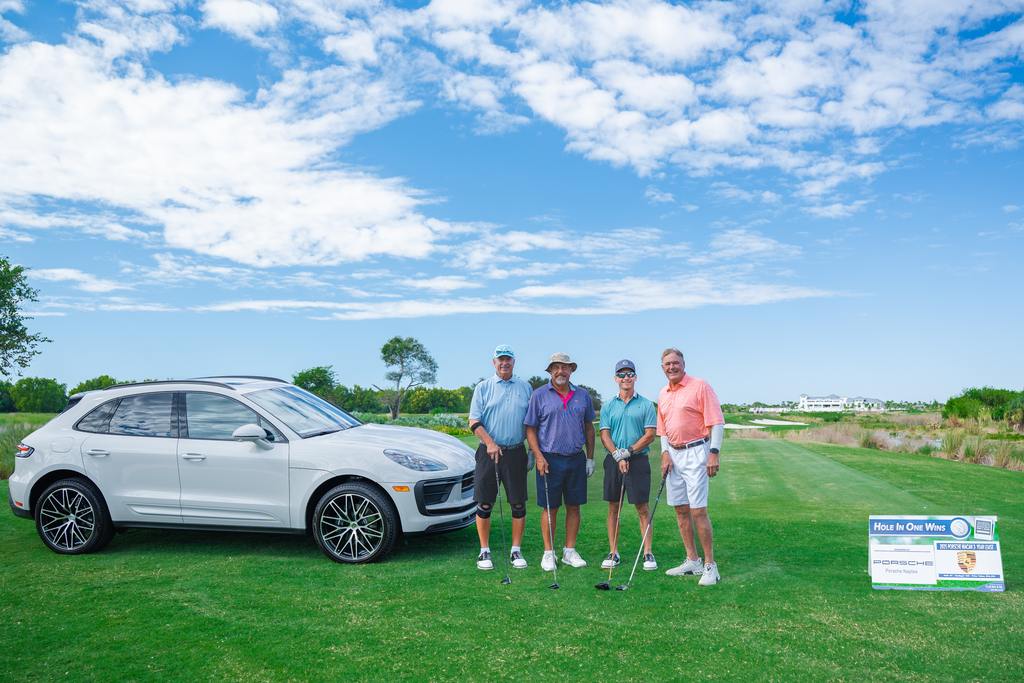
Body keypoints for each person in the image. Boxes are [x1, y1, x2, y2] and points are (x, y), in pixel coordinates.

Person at [657, 347, 725, 586]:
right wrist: (665, 453)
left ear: (683, 364)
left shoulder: (700, 386)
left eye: (675, 363)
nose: (672, 367)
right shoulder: (663, 393)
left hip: (697, 452)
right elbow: (663, 430)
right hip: (674, 454)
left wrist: (714, 453)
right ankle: (692, 560)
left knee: (698, 511)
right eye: (667, 364)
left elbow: (717, 422)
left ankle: (710, 565)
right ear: (662, 368)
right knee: (680, 509)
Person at [524, 352, 596, 571]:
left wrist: (590, 458)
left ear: (571, 370)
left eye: (564, 367)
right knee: (550, 507)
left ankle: (569, 551)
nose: (560, 371)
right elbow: (530, 429)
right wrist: (538, 456)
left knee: (574, 506)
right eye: (556, 367)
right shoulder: (539, 395)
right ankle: (549, 553)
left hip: (575, 458)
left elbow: (589, 428)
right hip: (549, 459)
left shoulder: (583, 395)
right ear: (550, 371)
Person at [468, 344, 534, 571]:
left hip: (516, 452)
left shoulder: (525, 387)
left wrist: (532, 451)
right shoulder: (483, 387)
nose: (504, 363)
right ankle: (484, 550)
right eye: (500, 359)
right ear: (494, 363)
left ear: (513, 362)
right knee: (485, 502)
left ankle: (516, 550)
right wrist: (490, 443)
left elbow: (532, 423)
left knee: (518, 503)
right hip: (488, 452)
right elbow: (474, 421)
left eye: (508, 359)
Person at [598, 359, 658, 571]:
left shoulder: (646, 404)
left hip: (638, 460)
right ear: (616, 379)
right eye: (621, 374)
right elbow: (604, 434)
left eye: (629, 374)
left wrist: (629, 451)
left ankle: (648, 552)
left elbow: (650, 435)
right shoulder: (608, 406)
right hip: (614, 460)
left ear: (635, 377)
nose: (626, 378)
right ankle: (613, 552)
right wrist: (617, 455)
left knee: (642, 507)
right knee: (614, 507)